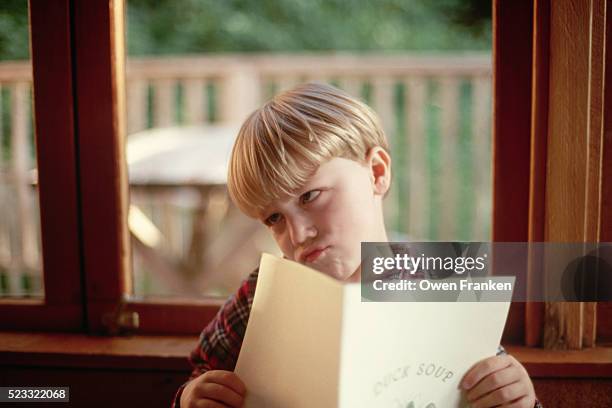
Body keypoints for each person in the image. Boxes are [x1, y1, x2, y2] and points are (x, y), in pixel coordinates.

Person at [173, 83, 541, 408]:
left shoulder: (441, 287)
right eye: (274, 219)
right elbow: (201, 371)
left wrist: (517, 396)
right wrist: (193, 396)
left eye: (310, 196)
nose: (297, 235)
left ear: (377, 173)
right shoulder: (262, 296)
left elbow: (495, 385)